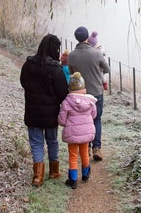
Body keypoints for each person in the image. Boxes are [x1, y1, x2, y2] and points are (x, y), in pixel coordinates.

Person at [19, 34, 68, 187]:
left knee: (36, 143)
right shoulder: (55, 69)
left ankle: (37, 176)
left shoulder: (28, 65)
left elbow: (23, 83)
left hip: (32, 111)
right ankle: (54, 171)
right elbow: (62, 93)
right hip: (50, 114)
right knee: (52, 140)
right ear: (54, 49)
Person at [67, 26, 110, 161]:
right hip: (96, 92)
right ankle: (96, 147)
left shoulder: (72, 55)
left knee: (84, 119)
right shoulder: (96, 53)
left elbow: (71, 72)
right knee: (96, 119)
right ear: (87, 37)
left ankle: (86, 148)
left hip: (80, 94)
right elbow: (107, 69)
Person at [57, 72, 97, 189]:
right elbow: (94, 115)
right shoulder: (90, 101)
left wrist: (64, 123)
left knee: (73, 155)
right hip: (85, 133)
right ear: (83, 87)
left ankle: (73, 179)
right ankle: (85, 174)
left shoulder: (66, 102)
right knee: (84, 153)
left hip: (72, 134)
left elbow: (62, 120)